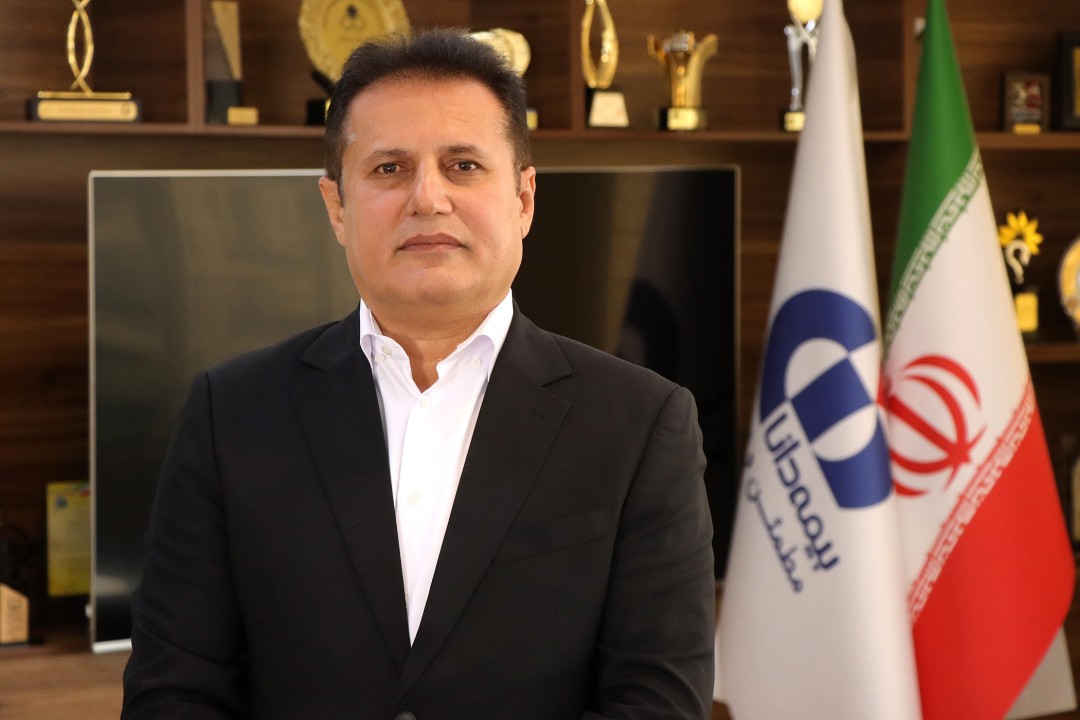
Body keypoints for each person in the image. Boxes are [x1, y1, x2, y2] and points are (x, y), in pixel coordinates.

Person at [122, 28, 715, 720]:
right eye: (389, 169)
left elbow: (658, 701)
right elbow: (174, 693)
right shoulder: (230, 414)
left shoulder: (642, 423)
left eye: (463, 165)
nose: (428, 198)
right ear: (336, 207)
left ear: (523, 199)